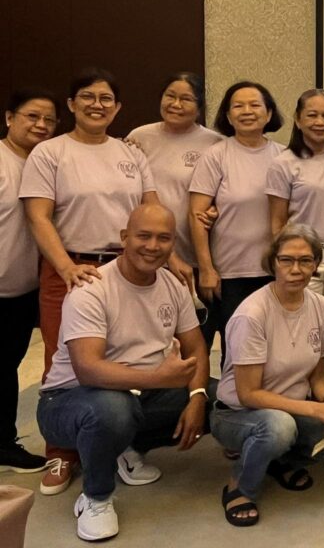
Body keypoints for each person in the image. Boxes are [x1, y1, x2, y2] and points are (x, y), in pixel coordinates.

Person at [20, 68, 168, 494]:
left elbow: (151, 209)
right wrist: (66, 267)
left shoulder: (130, 153)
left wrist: (170, 260)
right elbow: (38, 216)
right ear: (71, 104)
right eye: (87, 96)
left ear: (118, 108)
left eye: (106, 98)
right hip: (72, 269)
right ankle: (61, 452)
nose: (96, 105)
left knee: (127, 356)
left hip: (127, 270)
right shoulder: (50, 152)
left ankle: (117, 441)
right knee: (64, 360)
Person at [36, 204, 210, 542]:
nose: (153, 246)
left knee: (218, 399)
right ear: (124, 237)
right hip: (67, 402)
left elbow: (197, 348)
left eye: (163, 238)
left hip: (139, 394)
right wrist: (160, 379)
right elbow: (88, 370)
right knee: (112, 410)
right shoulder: (92, 288)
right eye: (144, 236)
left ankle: (124, 449)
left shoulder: (173, 285)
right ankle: (96, 497)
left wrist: (197, 396)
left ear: (173, 243)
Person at [212, 223, 324, 526]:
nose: (296, 269)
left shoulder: (322, 307)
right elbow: (248, 394)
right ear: (273, 262)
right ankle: (240, 486)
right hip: (237, 413)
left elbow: (318, 375)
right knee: (279, 428)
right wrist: (315, 409)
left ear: (316, 265)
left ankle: (280, 461)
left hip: (291, 410)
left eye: (305, 260)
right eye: (286, 260)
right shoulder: (252, 314)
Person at [126, 73, 221, 339]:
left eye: (186, 99)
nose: (176, 104)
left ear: (199, 106)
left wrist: (216, 209)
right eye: (170, 96)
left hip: (197, 257)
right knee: (150, 338)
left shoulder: (214, 143)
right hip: (149, 254)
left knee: (196, 337)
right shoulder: (139, 137)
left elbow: (224, 193)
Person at [189, 81, 285, 344]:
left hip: (274, 271)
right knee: (235, 346)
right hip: (229, 274)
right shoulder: (216, 155)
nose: (247, 111)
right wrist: (206, 269)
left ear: (269, 113)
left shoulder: (284, 157)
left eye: (255, 105)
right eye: (238, 106)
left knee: (271, 345)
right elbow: (196, 215)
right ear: (228, 116)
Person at [0, 88, 58, 473]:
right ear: (10, 118)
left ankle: (3, 443)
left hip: (22, 290)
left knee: (6, 366)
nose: (40, 125)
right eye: (32, 116)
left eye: (49, 120)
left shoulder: (45, 162)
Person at [267, 89, 324, 301]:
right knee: (308, 317)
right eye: (312, 115)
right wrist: (286, 262)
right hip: (304, 257)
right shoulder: (282, 163)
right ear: (298, 120)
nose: (320, 122)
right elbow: (277, 222)